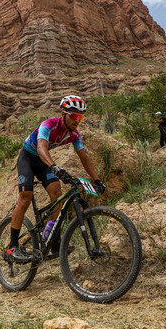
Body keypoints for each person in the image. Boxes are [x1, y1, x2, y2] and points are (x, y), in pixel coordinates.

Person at [7, 95, 106, 263]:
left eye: (80, 117)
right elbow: (41, 148)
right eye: (74, 116)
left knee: (57, 195)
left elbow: (84, 157)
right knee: (25, 199)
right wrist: (54, 166)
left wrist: (96, 179)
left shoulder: (74, 134)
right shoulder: (48, 125)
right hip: (29, 158)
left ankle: (53, 240)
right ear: (63, 114)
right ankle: (12, 246)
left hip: (43, 161)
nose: (77, 120)